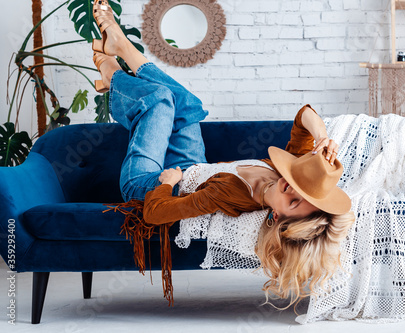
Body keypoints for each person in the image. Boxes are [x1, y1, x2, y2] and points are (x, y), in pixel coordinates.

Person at [93, 0, 355, 308]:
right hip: (192, 166)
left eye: (293, 201)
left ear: (278, 217)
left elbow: (155, 213)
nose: (291, 188)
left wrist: (167, 182)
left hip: (146, 183)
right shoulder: (289, 173)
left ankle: (111, 76)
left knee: (161, 101)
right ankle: (121, 47)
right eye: (300, 187)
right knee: (188, 104)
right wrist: (323, 136)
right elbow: (304, 116)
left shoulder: (230, 196)